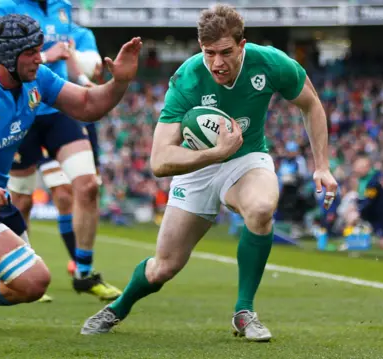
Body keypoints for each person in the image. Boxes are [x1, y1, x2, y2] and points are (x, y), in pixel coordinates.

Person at [81, 4, 338, 342]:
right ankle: (119, 306)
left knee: (261, 209)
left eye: (226, 52)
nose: (217, 62)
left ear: (242, 45)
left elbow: (312, 104)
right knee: (164, 267)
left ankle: (244, 311)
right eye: (209, 53)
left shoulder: (271, 63)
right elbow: (159, 161)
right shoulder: (187, 78)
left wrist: (321, 165)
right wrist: (215, 152)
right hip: (197, 167)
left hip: (247, 158)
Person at [0, 14, 141, 329]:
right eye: (31, 52)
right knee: (34, 280)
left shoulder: (38, 79)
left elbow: (88, 105)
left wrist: (120, 82)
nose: (39, 57)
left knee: (19, 279)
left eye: (39, 49)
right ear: (7, 56)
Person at [0, 0, 122, 302]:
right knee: (20, 200)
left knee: (86, 186)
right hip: (22, 110)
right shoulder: (4, 6)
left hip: (58, 106)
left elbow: (78, 63)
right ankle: (20, 272)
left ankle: (83, 271)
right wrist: (47, 55)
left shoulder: (62, 7)